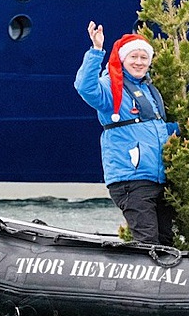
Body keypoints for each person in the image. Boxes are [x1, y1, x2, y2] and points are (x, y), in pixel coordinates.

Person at [75, 22, 178, 244]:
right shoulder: (111, 87)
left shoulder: (149, 90)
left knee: (165, 240)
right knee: (147, 240)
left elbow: (156, 129)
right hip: (131, 178)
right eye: (134, 57)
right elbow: (85, 87)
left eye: (144, 57)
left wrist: (186, 128)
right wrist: (96, 50)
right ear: (122, 59)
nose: (139, 62)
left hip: (156, 178)